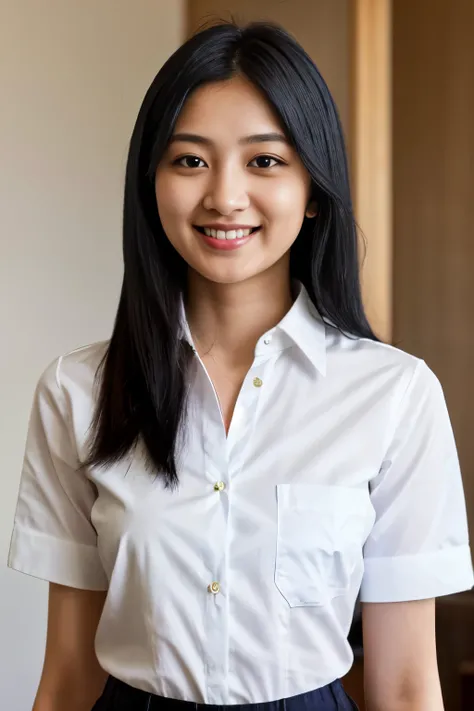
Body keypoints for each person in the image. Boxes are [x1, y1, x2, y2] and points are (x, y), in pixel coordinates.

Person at [7, 20, 473, 711]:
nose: (224, 197)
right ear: (151, 182)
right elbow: (70, 674)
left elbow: (405, 687)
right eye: (190, 160)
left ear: (313, 189)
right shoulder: (77, 393)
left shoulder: (394, 396)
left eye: (265, 161)